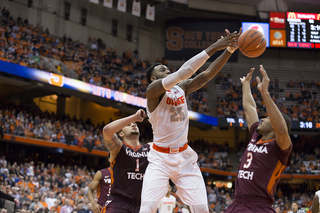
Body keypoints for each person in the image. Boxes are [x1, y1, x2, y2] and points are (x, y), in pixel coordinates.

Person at [140, 28, 241, 213]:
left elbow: (207, 74)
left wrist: (229, 51)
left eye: (167, 68)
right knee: (147, 208)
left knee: (202, 209)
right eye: (163, 69)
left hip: (184, 156)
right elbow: (184, 71)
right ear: (153, 78)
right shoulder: (152, 91)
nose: (167, 70)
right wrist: (215, 46)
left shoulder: (181, 88)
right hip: (160, 158)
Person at [224, 65, 292, 213]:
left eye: (267, 118)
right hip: (237, 203)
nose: (262, 119)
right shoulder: (256, 135)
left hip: (259, 206)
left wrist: (265, 93)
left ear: (274, 124)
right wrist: (246, 86)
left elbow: (281, 130)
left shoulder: (280, 147)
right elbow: (249, 107)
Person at [101, 109, 151, 213]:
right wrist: (134, 117)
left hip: (142, 204)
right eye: (129, 125)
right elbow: (107, 131)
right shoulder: (118, 147)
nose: (133, 125)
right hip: (118, 202)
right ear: (121, 134)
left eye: (135, 124)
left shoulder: (150, 147)